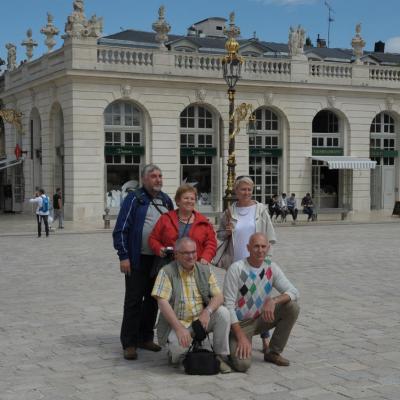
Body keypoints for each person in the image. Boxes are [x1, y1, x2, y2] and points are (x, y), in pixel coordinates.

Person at [113, 164, 174, 361]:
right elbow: (121, 229)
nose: (158, 179)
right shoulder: (134, 199)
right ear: (144, 179)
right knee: (133, 301)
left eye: (160, 176)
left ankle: (145, 337)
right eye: (154, 176)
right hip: (137, 259)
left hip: (159, 259)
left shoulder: (166, 200)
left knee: (153, 300)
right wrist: (124, 256)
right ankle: (129, 343)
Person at [152, 237, 231, 373]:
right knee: (178, 349)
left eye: (193, 252)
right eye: (186, 253)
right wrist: (179, 328)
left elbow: (219, 296)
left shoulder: (204, 270)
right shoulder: (166, 272)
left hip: (201, 321)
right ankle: (181, 355)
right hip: (179, 323)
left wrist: (207, 311)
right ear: (176, 254)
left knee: (223, 313)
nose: (191, 256)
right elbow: (162, 302)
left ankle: (219, 356)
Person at [223, 233, 300, 372]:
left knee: (292, 307)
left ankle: (273, 352)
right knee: (242, 365)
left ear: (268, 248)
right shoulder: (236, 268)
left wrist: (274, 300)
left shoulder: (271, 268)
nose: (260, 250)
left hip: (261, 319)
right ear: (248, 248)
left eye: (264, 246)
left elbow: (294, 292)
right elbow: (228, 306)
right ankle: (230, 348)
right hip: (241, 324)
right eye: (256, 246)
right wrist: (241, 337)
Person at [217, 176, 276, 353]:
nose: (247, 192)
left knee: (261, 299)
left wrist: (267, 260)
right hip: (237, 264)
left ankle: (266, 339)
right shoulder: (229, 212)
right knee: (237, 301)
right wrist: (226, 233)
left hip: (258, 262)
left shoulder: (260, 210)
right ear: (236, 191)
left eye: (249, 189)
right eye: (243, 189)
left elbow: (270, 236)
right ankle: (238, 334)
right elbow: (219, 235)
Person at [149, 184, 217, 266]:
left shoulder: (203, 221)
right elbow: (153, 238)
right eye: (186, 198)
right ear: (178, 201)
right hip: (169, 266)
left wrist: (206, 257)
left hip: (194, 267)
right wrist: (159, 249)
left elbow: (211, 243)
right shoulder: (165, 218)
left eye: (192, 199)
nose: (189, 201)